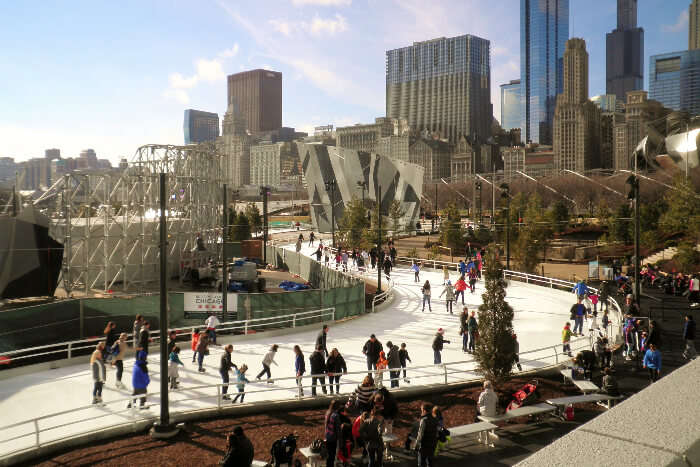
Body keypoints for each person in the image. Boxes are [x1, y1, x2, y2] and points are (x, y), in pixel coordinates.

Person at [412, 403, 439, 467]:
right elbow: (437, 432)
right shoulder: (435, 419)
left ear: (424, 411)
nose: (421, 412)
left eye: (421, 410)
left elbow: (420, 434)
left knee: (421, 463)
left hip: (424, 444)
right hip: (433, 443)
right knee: (430, 462)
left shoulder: (424, 420)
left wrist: (416, 446)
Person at [324, 400, 342, 467]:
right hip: (333, 438)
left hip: (327, 436)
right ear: (337, 406)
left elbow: (326, 426)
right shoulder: (336, 416)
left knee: (329, 456)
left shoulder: (327, 412)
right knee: (332, 456)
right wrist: (340, 441)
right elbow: (338, 430)